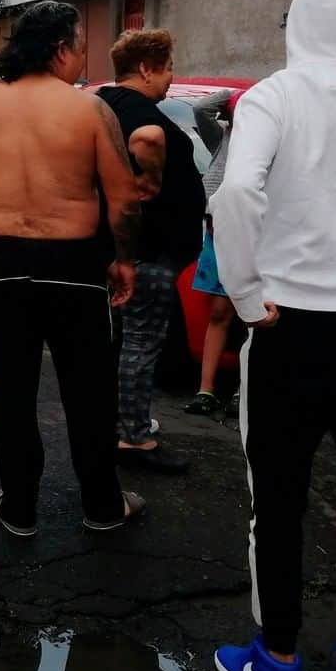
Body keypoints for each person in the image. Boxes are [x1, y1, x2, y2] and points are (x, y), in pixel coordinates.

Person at [212, 0, 336, 671]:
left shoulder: (275, 95)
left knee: (277, 499)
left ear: (298, 24)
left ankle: (277, 659)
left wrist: (243, 294)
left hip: (291, 328)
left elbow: (237, 190)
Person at [0, 0, 144, 535]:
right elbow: (123, 199)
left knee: (11, 390)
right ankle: (103, 505)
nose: (83, 59)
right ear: (61, 49)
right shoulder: (89, 110)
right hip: (74, 264)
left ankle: (19, 506)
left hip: (4, 260)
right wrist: (124, 260)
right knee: (89, 391)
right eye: (81, 47)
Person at [97, 30, 205, 474]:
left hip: (125, 248)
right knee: (142, 344)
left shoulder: (103, 104)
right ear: (146, 68)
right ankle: (135, 437)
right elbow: (147, 139)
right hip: (151, 251)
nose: (170, 78)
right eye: (167, 68)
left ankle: (121, 424)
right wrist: (149, 182)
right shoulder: (142, 115)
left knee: (125, 342)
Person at [186, 89, 244, 416]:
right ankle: (205, 390)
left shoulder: (274, 142)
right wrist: (236, 97)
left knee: (253, 315)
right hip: (218, 231)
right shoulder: (222, 138)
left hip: (255, 235)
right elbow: (200, 108)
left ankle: (243, 392)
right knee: (220, 313)